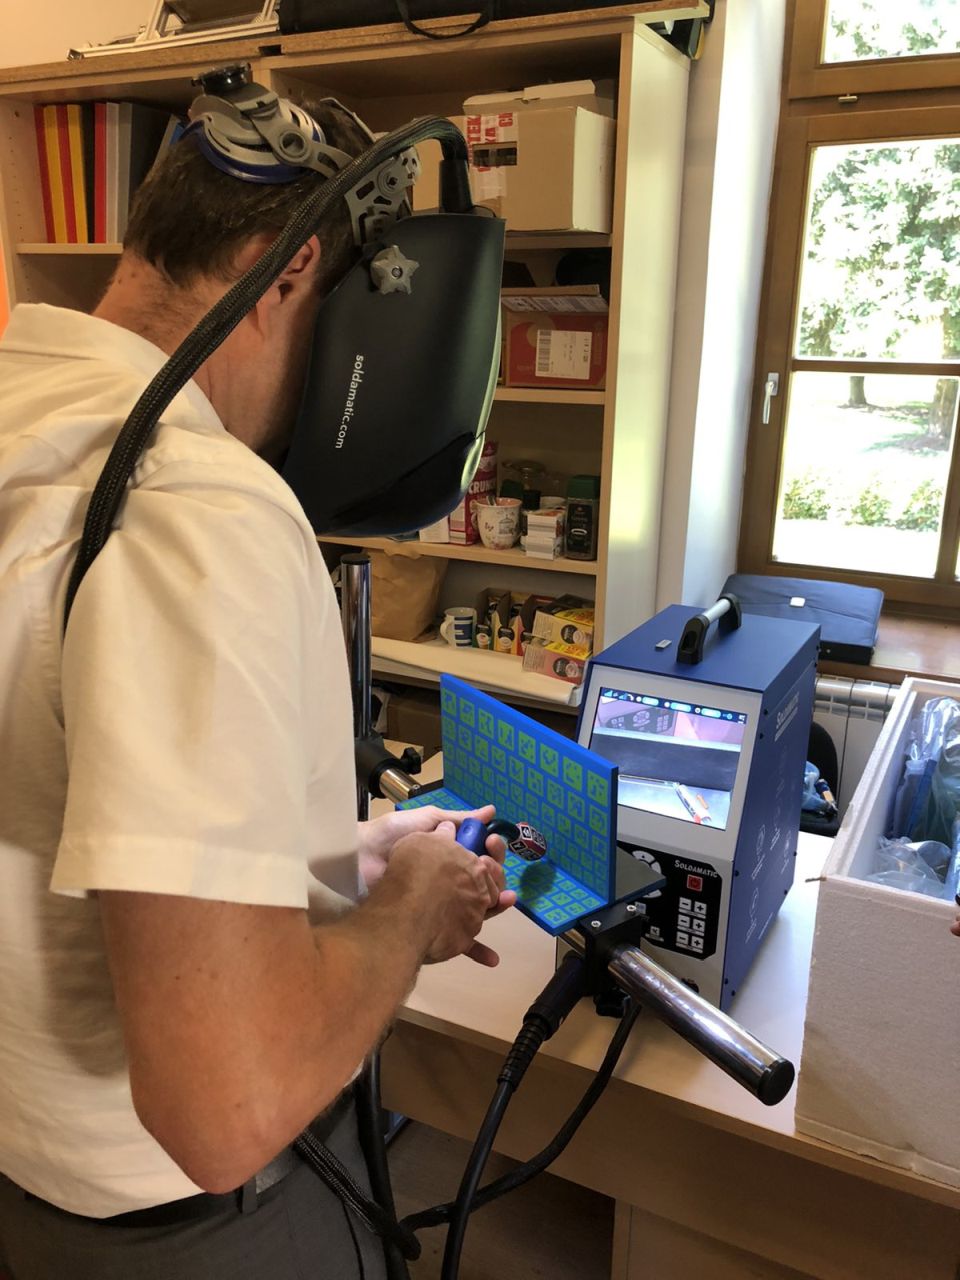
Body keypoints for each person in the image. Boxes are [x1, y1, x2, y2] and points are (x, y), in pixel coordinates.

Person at [0, 95, 514, 1279]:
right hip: (193, 1228)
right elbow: (226, 1105)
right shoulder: (193, 503)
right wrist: (410, 905)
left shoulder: (27, 421)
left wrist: (329, 861)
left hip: (33, 1182)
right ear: (285, 278)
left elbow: (63, 798)